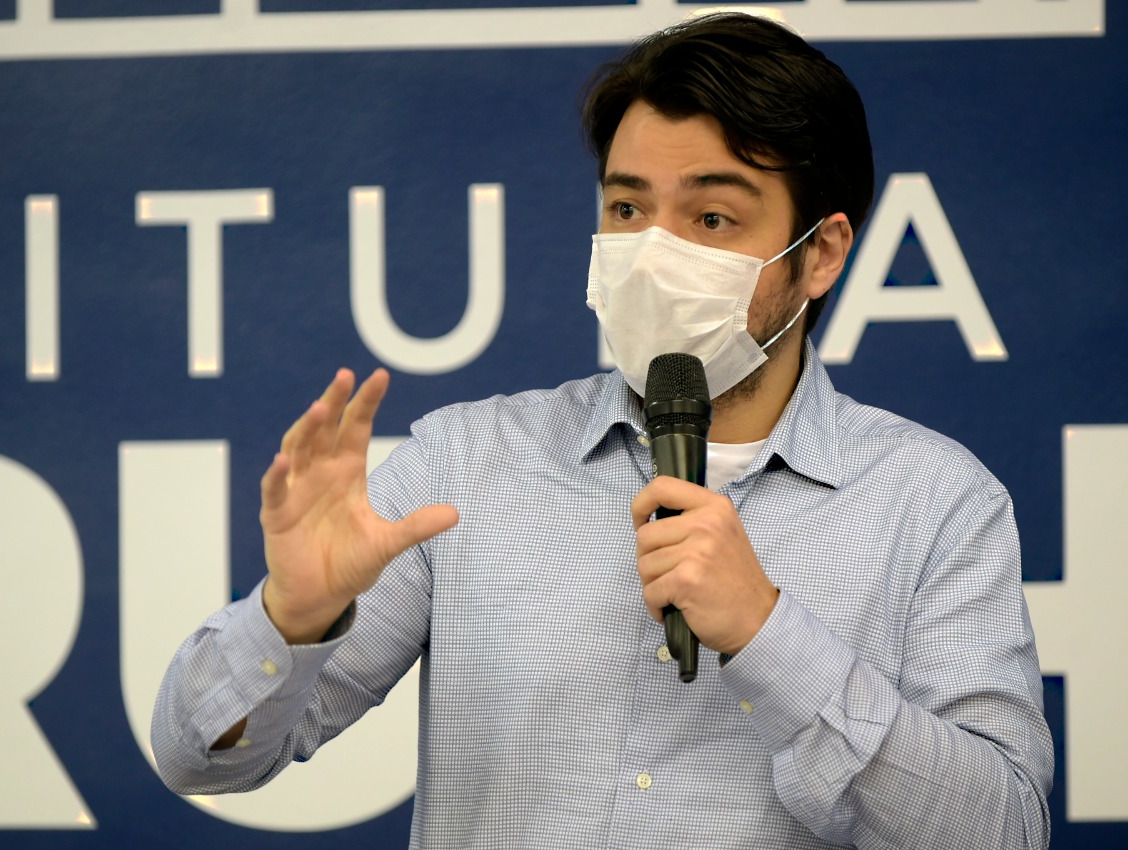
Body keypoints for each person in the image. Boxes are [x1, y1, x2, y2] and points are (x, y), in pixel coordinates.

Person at [150, 12, 1054, 848]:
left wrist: (768, 634)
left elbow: (1006, 830)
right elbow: (200, 760)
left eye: (710, 217)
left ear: (819, 253)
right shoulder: (464, 466)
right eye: (627, 209)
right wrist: (291, 618)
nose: (653, 255)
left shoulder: (936, 503)